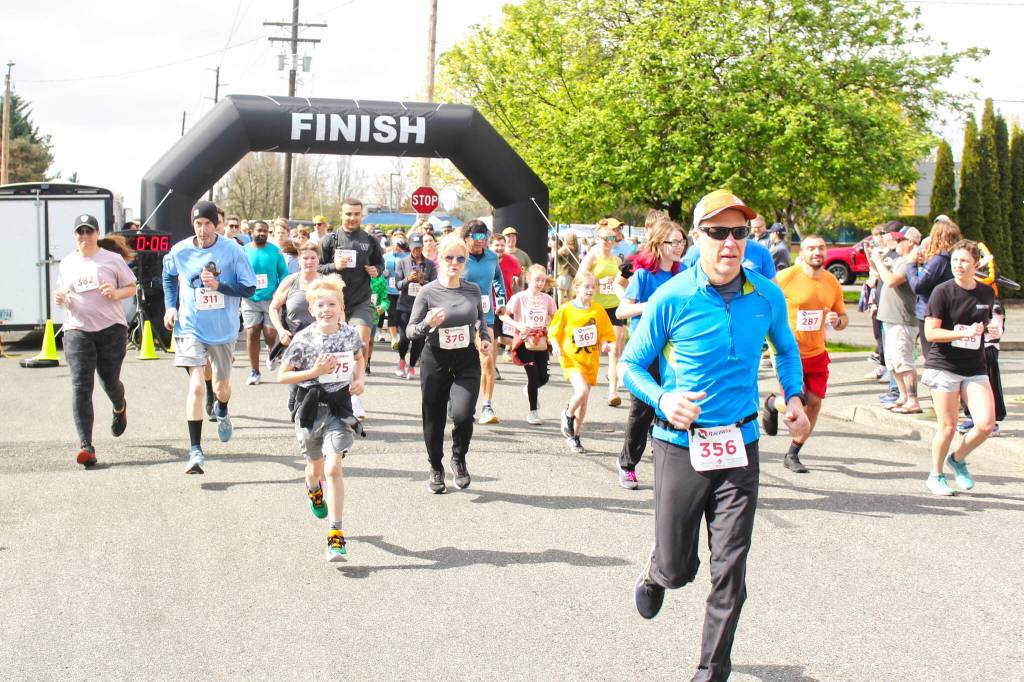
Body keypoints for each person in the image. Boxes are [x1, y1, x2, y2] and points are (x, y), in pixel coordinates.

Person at [623, 189, 808, 681]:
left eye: (740, 233)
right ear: (698, 238)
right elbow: (631, 366)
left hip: (739, 445)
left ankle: (711, 671)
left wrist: (794, 398)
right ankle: (660, 569)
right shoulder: (672, 296)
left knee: (730, 569)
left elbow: (787, 351)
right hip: (681, 444)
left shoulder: (766, 294)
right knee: (681, 568)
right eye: (719, 233)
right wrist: (663, 398)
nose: (731, 243)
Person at [162, 200, 257, 474]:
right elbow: (168, 276)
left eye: (207, 224)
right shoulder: (180, 251)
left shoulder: (232, 250)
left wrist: (220, 286)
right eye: (197, 224)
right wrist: (171, 307)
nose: (202, 230)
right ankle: (195, 451)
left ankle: (223, 409)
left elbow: (249, 288)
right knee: (196, 385)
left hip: (223, 330)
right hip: (190, 327)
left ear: (216, 224)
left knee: (220, 386)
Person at [278, 277, 365, 561]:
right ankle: (313, 490)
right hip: (311, 408)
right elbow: (283, 376)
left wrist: (359, 378)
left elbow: (358, 356)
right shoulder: (304, 339)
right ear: (311, 309)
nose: (326, 309)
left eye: (332, 304)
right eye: (320, 305)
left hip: (339, 407)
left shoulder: (350, 334)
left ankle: (336, 534)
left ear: (341, 307)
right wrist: (313, 371)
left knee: (333, 469)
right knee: (315, 470)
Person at [406, 235, 491, 493]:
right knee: (434, 418)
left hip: (466, 360)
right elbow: (411, 331)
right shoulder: (428, 291)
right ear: (439, 259)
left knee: (464, 416)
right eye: (449, 257)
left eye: (460, 258)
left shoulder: (472, 289)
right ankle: (435, 466)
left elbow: (480, 321)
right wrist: (427, 324)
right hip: (436, 360)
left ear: (465, 262)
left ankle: (459, 458)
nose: (454, 262)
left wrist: (484, 339)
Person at [54, 214, 137, 467]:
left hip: (111, 329)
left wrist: (115, 293)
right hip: (77, 329)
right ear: (74, 236)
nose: (84, 236)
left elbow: (132, 287)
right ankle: (86, 446)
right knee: (81, 385)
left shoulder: (111, 259)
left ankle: (119, 405)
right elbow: (62, 292)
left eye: (89, 231)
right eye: (80, 232)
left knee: (109, 380)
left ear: (97, 234)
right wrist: (60, 298)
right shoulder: (67, 263)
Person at [761, 235, 848, 472]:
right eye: (811, 248)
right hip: (788, 353)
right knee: (797, 401)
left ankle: (793, 453)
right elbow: (764, 301)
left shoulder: (831, 282)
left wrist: (837, 320)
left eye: (821, 248)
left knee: (815, 403)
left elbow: (843, 317)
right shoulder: (786, 277)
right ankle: (772, 402)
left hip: (817, 352)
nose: (816, 252)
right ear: (802, 252)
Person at [921, 240, 998, 496]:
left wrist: (992, 330)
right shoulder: (942, 291)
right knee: (948, 426)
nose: (958, 266)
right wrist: (959, 335)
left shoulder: (986, 293)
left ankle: (958, 458)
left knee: (986, 424)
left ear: (976, 264)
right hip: (944, 365)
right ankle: (936, 475)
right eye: (955, 261)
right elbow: (931, 333)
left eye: (964, 261)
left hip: (974, 366)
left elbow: (984, 327)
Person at [614, 219, 686, 489]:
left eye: (682, 242)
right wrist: (652, 306)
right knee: (642, 409)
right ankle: (627, 464)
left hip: (673, 352)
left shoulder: (684, 274)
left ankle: (666, 463)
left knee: (667, 409)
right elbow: (622, 311)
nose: (679, 247)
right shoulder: (643, 276)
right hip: (645, 352)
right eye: (673, 242)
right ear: (659, 245)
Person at [317, 199, 386, 420]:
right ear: (341, 214)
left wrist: (377, 270)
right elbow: (318, 267)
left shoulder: (370, 240)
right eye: (348, 214)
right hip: (335, 302)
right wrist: (333, 267)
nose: (352, 218)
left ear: (361, 215)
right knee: (336, 349)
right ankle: (333, 393)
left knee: (360, 343)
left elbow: (380, 265)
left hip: (361, 301)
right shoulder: (330, 240)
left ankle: (356, 395)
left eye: (356, 214)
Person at [549, 271, 616, 454]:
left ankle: (574, 436)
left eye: (593, 287)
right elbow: (553, 331)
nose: (590, 290)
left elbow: (604, 334)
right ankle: (567, 414)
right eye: (586, 286)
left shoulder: (598, 311)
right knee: (582, 391)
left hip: (590, 360)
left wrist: (605, 345)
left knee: (584, 401)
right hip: (572, 359)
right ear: (576, 287)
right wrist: (555, 346)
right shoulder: (566, 309)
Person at [871, 228, 922, 414]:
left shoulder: (909, 262)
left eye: (900, 240)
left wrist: (878, 260)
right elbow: (880, 274)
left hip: (903, 319)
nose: (896, 242)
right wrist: (874, 257)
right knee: (893, 361)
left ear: (911, 242)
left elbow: (891, 280)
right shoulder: (900, 260)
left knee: (903, 360)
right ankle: (903, 396)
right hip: (890, 318)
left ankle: (913, 400)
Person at [461, 221, 507, 424]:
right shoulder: (459, 256)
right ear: (466, 237)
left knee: (487, 360)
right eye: (476, 238)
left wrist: (502, 299)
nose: (481, 242)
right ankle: (457, 402)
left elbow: (498, 278)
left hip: (485, 316)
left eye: (484, 238)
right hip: (460, 315)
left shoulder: (491, 256)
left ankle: (487, 406)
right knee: (460, 360)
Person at [501, 264, 558, 425]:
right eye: (537, 280)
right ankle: (533, 412)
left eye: (542, 280)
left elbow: (556, 319)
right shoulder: (519, 297)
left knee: (543, 377)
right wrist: (519, 326)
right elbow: (504, 316)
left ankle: (528, 390)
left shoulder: (548, 299)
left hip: (540, 341)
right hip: (524, 340)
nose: (540, 283)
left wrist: (551, 331)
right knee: (532, 376)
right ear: (528, 279)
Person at [579, 221, 625, 407]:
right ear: (598, 237)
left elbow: (623, 283)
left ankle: (613, 392)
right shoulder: (593, 255)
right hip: (596, 308)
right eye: (606, 238)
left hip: (614, 306)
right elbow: (581, 278)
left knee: (615, 350)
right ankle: (583, 384)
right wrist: (597, 281)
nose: (609, 241)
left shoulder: (617, 260)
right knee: (594, 349)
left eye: (612, 238)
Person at [242, 220, 289, 385]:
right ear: (251, 232)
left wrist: (280, 290)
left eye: (265, 231)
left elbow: (284, 273)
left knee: (270, 334)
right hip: (250, 298)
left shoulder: (275, 251)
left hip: (271, 298)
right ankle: (254, 371)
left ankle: (272, 350)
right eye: (259, 230)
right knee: (252, 332)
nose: (262, 234)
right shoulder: (244, 251)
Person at [907, 217, 959, 358]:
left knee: (931, 355)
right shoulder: (953, 258)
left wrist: (911, 265)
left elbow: (918, 286)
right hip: (949, 311)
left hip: (930, 312)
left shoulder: (939, 260)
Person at [394, 232, 437, 379]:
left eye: (419, 247)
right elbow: (398, 285)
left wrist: (422, 282)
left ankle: (412, 366)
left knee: (418, 340)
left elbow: (434, 285)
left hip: (422, 308)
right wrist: (408, 279)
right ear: (409, 247)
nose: (417, 251)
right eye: (414, 247)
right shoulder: (402, 262)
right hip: (404, 307)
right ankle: (401, 360)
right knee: (405, 338)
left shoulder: (430, 265)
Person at [491, 232, 523, 353]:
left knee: (507, 340)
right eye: (497, 245)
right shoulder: (485, 260)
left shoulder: (512, 260)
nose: (499, 248)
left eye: (502, 245)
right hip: (490, 307)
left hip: (506, 305)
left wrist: (519, 293)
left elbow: (521, 275)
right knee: (491, 340)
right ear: (490, 245)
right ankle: (492, 369)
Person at [383, 234, 409, 349]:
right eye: (395, 243)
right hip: (389, 290)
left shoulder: (407, 257)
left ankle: (404, 338)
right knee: (392, 314)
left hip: (402, 290)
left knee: (402, 316)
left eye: (399, 243)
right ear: (391, 243)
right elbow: (379, 270)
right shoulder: (385, 256)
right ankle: (394, 339)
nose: (397, 246)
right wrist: (383, 273)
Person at [555, 232, 581, 303]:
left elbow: (555, 255)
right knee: (569, 296)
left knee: (561, 294)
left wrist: (555, 246)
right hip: (572, 275)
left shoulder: (568, 248)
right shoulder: (576, 250)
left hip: (564, 274)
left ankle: (560, 310)